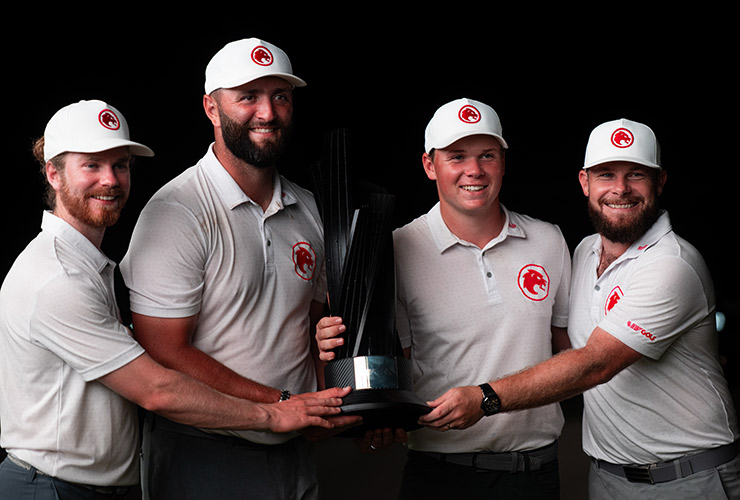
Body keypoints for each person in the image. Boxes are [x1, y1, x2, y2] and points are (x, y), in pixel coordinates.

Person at [0, 99, 349, 500]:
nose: (110, 180)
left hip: (95, 486)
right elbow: (157, 390)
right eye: (91, 165)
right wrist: (273, 412)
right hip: (51, 487)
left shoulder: (91, 266)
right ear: (54, 174)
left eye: (121, 165)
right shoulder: (55, 279)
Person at [414, 118, 740, 498]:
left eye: (636, 174)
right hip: (607, 476)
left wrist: (484, 397)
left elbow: (595, 362)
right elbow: (564, 348)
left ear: (660, 183)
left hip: (686, 478)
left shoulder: (672, 264)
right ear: (585, 183)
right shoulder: (584, 252)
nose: (620, 189)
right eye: (606, 174)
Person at [119, 38, 358, 499]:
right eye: (248, 97)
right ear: (211, 108)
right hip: (205, 451)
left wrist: (339, 402)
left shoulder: (308, 209)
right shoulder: (178, 211)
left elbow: (313, 334)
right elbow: (163, 349)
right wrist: (282, 404)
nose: (267, 113)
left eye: (280, 97)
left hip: (294, 451)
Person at [317, 97, 572, 499]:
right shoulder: (396, 248)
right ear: (429, 165)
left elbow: (571, 357)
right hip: (440, 476)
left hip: (535, 472)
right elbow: (386, 365)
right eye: (457, 156)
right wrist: (368, 417)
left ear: (503, 161)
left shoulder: (549, 241)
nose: (474, 170)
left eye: (487, 155)